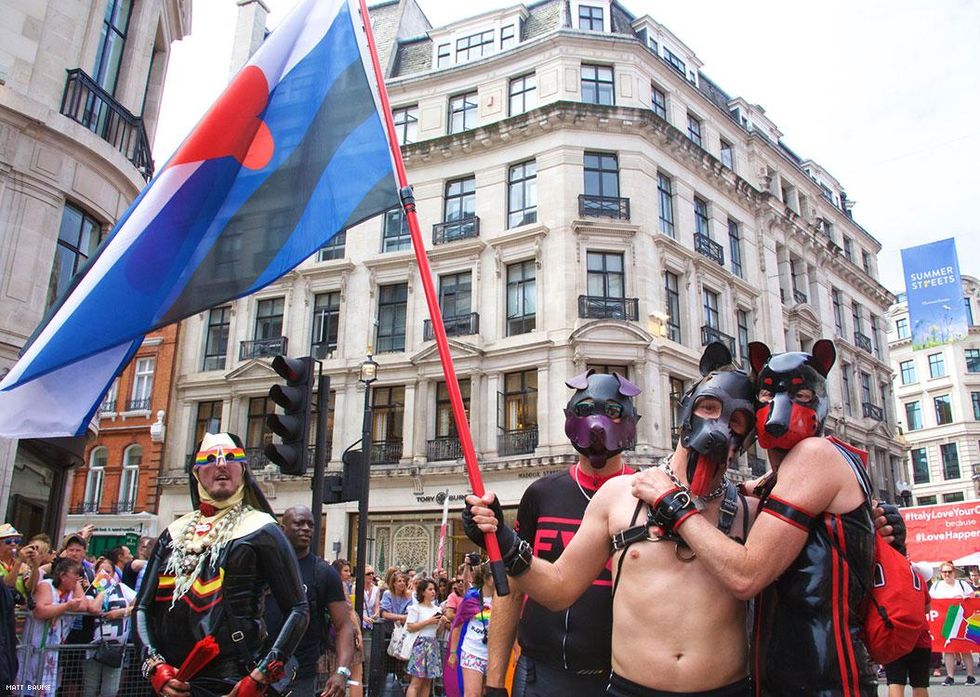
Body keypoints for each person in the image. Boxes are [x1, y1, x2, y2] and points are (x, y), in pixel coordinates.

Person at [466, 343, 757, 696]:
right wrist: (505, 542)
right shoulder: (607, 495)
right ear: (686, 412)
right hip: (561, 675)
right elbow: (544, 587)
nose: (718, 423)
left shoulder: (748, 508)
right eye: (708, 408)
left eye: (736, 418)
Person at [630, 339, 888, 696]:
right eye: (766, 398)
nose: (779, 411)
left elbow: (746, 575)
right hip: (785, 677)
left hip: (824, 680)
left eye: (799, 397)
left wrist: (671, 501)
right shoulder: (781, 479)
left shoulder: (815, 454)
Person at [487, 369, 641, 697]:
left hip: (623, 678)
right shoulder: (541, 494)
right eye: (585, 410)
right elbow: (511, 591)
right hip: (541, 674)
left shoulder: (649, 496)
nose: (598, 424)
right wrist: (494, 682)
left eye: (612, 411)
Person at [135, 432, 310, 697]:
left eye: (230, 457)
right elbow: (142, 607)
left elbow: (298, 608)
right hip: (172, 681)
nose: (221, 465)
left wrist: (262, 673)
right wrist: (153, 664)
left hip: (234, 680)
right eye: (210, 458)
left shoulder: (262, 529)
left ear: (242, 469)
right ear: (196, 472)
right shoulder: (173, 533)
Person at [263, 506, 352, 697]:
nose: (306, 528)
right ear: (283, 528)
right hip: (255, 669)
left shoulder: (324, 573)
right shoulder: (262, 566)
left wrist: (341, 671)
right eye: (298, 523)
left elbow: (344, 625)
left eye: (310, 524)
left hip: (299, 674)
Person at [17, 557, 99, 697]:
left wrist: (76, 583)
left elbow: (84, 605)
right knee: (28, 683)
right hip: (35, 645)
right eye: (74, 574)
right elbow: (40, 611)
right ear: (62, 575)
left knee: (47, 685)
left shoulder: (72, 589)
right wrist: (65, 607)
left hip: (52, 648)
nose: (77, 578)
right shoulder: (46, 585)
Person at [82, 558, 137, 697]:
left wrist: (121, 612)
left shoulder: (122, 588)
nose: (104, 574)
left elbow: (138, 605)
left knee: (110, 691)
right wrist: (102, 588)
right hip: (94, 646)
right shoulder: (91, 591)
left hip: (116, 648)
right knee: (90, 688)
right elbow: (93, 608)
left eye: (108, 572)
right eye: (100, 571)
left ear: (114, 574)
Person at [884, 563, 933, 697]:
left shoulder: (887, 577)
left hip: (895, 637)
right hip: (920, 637)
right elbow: (927, 608)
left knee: (895, 682)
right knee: (920, 684)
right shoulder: (918, 578)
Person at [445, 563, 493, 697]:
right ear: (486, 578)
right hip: (473, 651)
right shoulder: (471, 598)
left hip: (494, 654)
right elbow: (457, 625)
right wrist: (453, 653)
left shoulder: (504, 598)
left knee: (487, 693)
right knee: (472, 694)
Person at [929, 562, 976, 686]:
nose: (947, 574)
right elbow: (930, 602)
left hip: (962, 621)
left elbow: (973, 599)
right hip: (944, 622)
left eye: (949, 571)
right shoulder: (936, 586)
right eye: (944, 572)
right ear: (941, 574)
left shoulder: (963, 584)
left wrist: (967, 600)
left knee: (965, 649)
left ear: (954, 572)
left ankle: (970, 676)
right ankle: (950, 676)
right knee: (947, 649)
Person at [327, 559, 364, 697]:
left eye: (349, 571)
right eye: (346, 571)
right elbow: (349, 611)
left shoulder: (339, 585)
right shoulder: (340, 586)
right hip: (346, 632)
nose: (349, 574)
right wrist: (358, 633)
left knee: (337, 673)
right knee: (356, 674)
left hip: (334, 633)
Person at [405, 578, 445, 697]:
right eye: (430, 589)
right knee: (416, 681)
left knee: (428, 681)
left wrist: (441, 623)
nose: (433, 592)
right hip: (420, 644)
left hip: (433, 644)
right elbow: (410, 627)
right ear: (423, 592)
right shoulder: (416, 608)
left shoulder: (437, 609)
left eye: (434, 589)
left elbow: (438, 632)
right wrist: (428, 621)